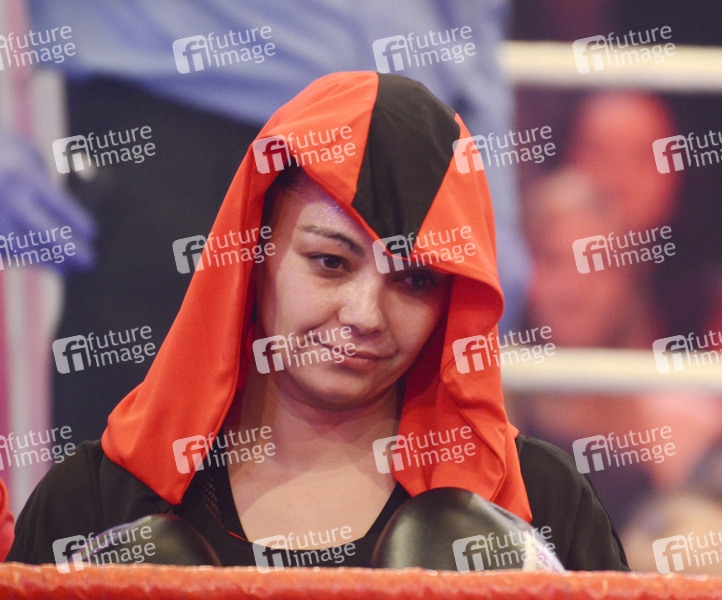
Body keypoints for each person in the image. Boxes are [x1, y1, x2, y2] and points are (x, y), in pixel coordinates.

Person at [6, 72, 628, 571]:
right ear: (254, 253)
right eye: (330, 263)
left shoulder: (540, 501)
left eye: (416, 281)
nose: (365, 316)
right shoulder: (96, 501)